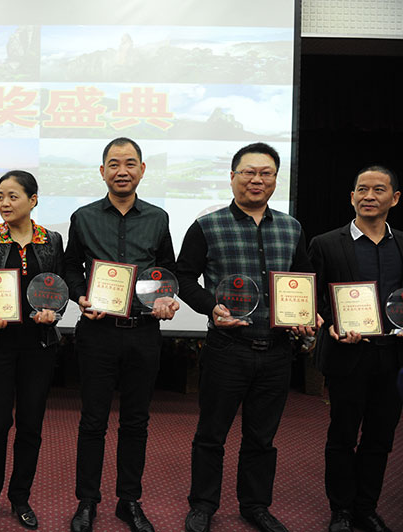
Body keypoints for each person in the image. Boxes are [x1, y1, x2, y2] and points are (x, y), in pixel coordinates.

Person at [176, 143, 319, 532]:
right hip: (227, 349)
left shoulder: (291, 227)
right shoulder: (207, 225)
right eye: (249, 172)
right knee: (211, 434)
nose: (257, 180)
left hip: (275, 352)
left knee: (263, 437)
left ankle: (255, 505)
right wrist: (211, 307)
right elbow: (184, 278)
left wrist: (308, 315)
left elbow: (303, 281)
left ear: (275, 178)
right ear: (233, 176)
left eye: (266, 173)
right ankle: (203, 504)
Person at [65, 138, 179, 532]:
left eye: (130, 163)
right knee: (92, 421)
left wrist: (166, 299)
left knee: (136, 422)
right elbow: (70, 268)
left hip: (144, 332)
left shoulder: (159, 218)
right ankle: (87, 502)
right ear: (102, 172)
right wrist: (80, 294)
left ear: (143, 170)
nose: (122, 171)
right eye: (113, 164)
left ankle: (129, 501)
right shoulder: (82, 217)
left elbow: (166, 270)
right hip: (97, 333)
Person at [0, 170, 65, 530]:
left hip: (38, 346)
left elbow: (59, 288)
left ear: (33, 200)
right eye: (0, 196)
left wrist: (55, 313)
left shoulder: (52, 240)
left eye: (13, 196)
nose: (5, 203)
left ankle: (20, 496)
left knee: (30, 425)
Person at [308, 165, 403, 532]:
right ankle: (342, 510)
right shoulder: (326, 243)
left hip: (393, 358)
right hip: (347, 356)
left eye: (378, 190)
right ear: (351, 197)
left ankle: (366, 508)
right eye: (362, 190)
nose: (368, 196)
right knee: (342, 435)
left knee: (381, 438)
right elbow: (313, 298)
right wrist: (332, 322)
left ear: (394, 199)